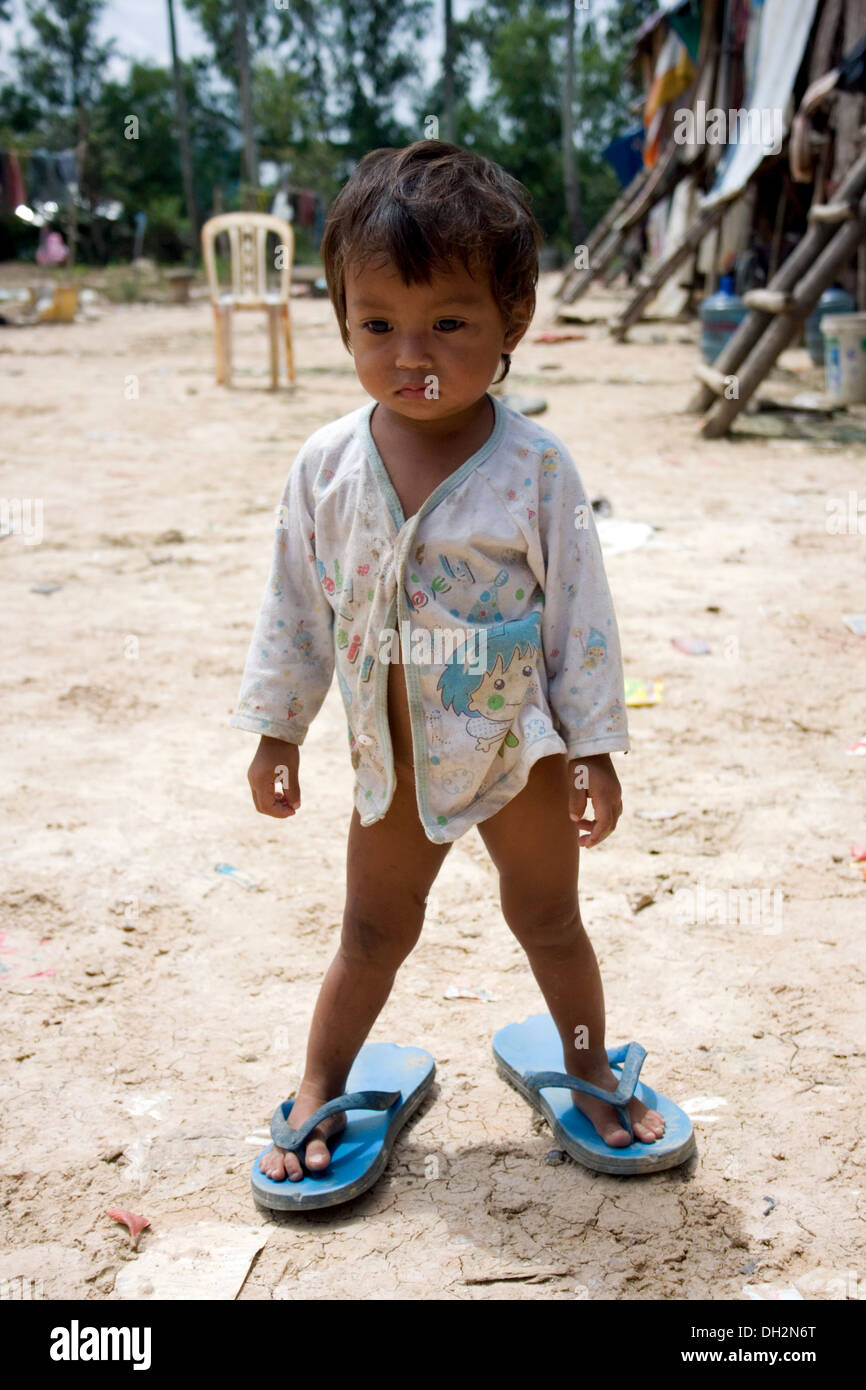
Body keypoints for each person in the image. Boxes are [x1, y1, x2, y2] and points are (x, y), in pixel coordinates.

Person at [231, 140, 666, 1185]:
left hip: (514, 749)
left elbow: (580, 620)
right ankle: (319, 1083)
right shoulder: (324, 467)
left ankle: (586, 1067)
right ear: (341, 316)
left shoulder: (534, 469)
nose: (409, 352)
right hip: (390, 764)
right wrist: (276, 728)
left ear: (510, 323)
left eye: (448, 324)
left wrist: (594, 750)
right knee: (370, 929)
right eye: (377, 324)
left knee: (550, 919)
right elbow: (294, 604)